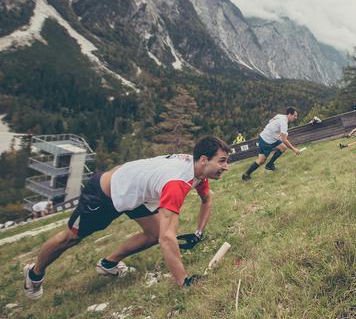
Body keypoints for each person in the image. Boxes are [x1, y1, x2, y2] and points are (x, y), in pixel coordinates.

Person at [23, 136, 230, 299]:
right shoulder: (177, 183)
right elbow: (167, 239)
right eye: (222, 161)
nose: (226, 167)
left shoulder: (197, 171)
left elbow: (206, 200)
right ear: (203, 160)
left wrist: (198, 233)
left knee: (153, 233)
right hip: (105, 194)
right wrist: (184, 281)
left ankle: (108, 264)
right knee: (70, 237)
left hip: (135, 194)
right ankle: (34, 274)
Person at [242, 107, 301, 181]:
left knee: (283, 148)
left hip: (269, 137)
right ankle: (246, 175)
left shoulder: (280, 116)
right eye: (294, 116)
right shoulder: (284, 123)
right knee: (261, 160)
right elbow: (284, 139)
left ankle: (269, 165)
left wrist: (274, 131)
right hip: (266, 141)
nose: (296, 118)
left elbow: (271, 121)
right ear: (289, 114)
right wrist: (294, 149)